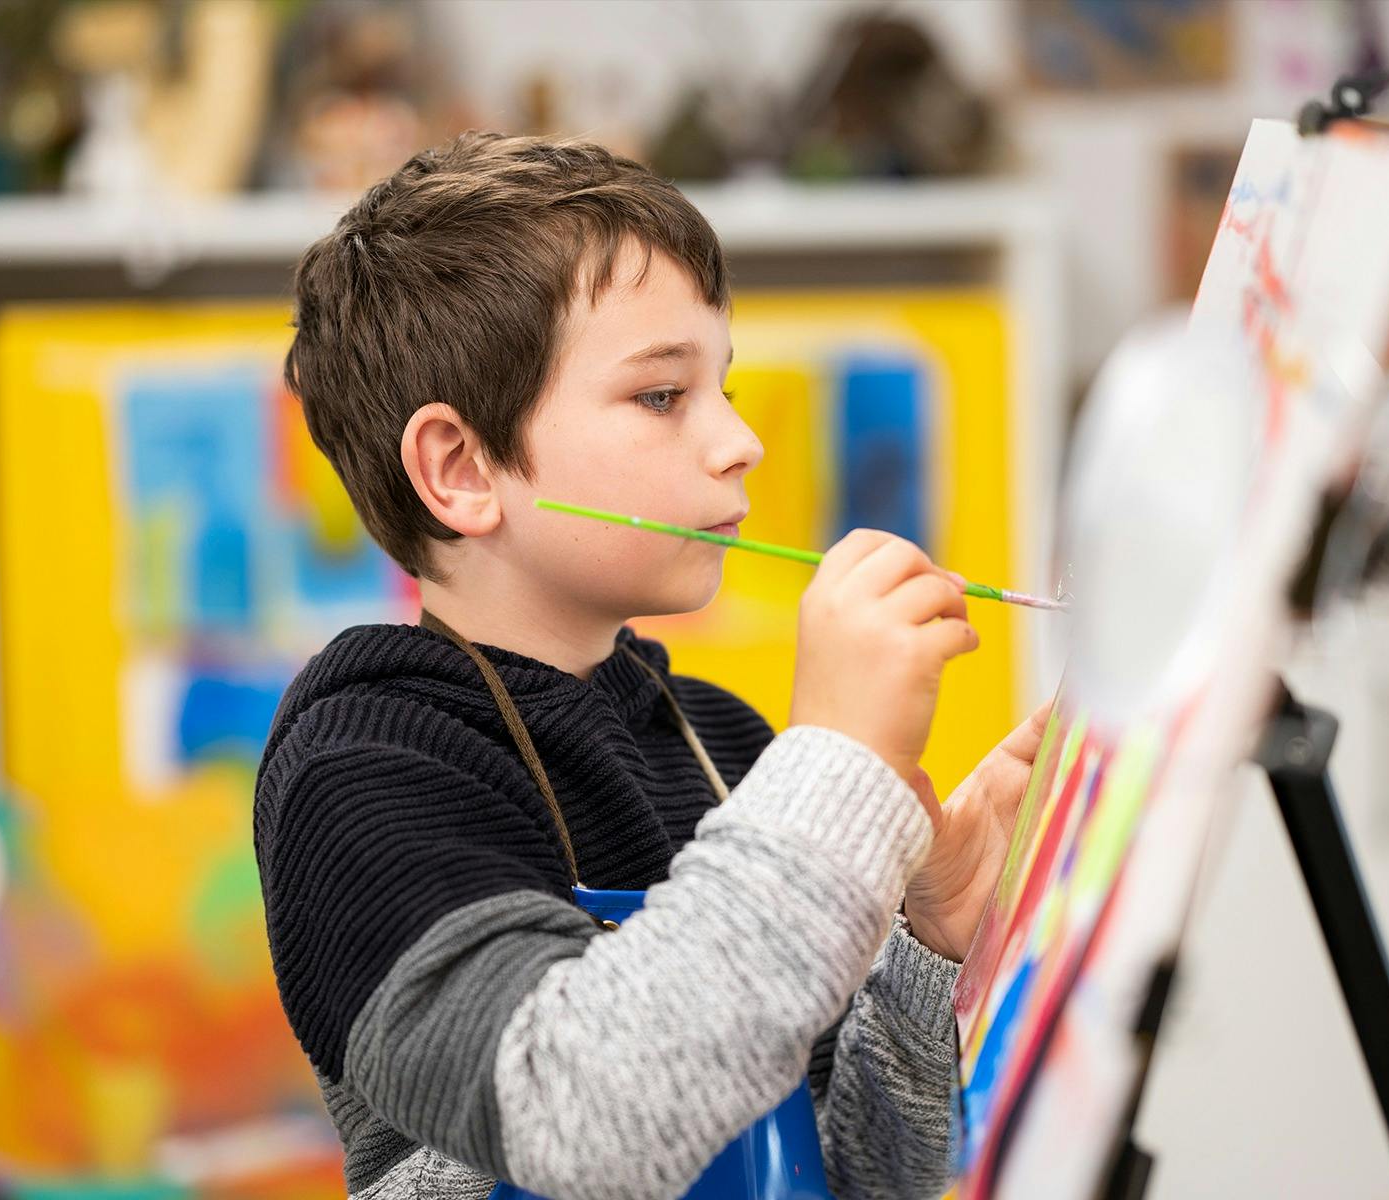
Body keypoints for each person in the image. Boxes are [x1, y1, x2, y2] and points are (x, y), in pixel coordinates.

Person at [254, 130, 1048, 1200]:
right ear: (460, 468)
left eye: (720, 384)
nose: (738, 442)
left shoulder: (720, 740)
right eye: (662, 396)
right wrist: (837, 763)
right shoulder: (363, 771)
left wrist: (926, 944)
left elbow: (859, 1172)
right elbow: (584, 1121)